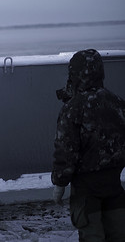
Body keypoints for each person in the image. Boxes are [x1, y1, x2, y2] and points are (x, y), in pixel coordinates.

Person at [52, 49, 125, 241]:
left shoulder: (73, 108)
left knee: (92, 235)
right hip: (114, 185)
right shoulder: (117, 103)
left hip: (86, 190)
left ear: (74, 74)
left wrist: (60, 183)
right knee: (118, 234)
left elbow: (65, 150)